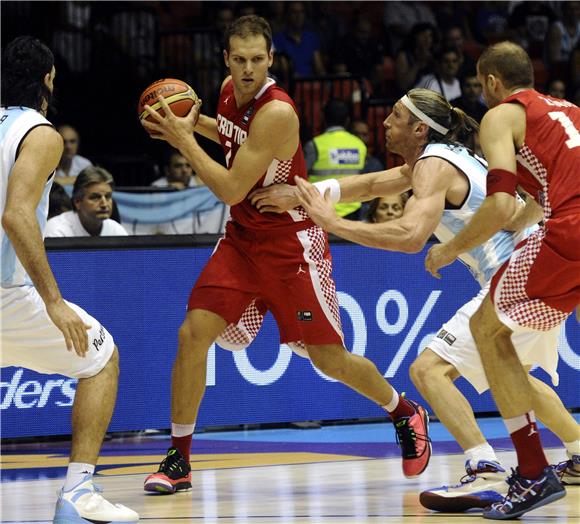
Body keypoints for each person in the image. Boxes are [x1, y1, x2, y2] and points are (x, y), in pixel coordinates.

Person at [251, 86, 580, 513]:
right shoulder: (444, 158)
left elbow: (410, 237)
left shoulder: (433, 165)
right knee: (514, 376)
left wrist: (334, 225)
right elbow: (369, 184)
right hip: (543, 262)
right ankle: (576, 447)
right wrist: (299, 195)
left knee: (429, 371)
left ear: (419, 128)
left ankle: (486, 470)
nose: (383, 124)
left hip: (520, 267)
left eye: (394, 117)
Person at [140, 15, 430, 494]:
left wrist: (184, 140)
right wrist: (193, 123)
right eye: (240, 60)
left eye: (258, 60)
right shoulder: (230, 93)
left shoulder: (279, 112)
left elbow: (232, 188)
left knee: (329, 361)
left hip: (291, 244)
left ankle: (403, 410)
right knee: (192, 334)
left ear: (271, 59)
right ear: (227, 59)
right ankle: (178, 459)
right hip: (242, 240)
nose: (249, 68)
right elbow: (235, 140)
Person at [425, 41, 580, 519]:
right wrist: (521, 219)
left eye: (480, 84)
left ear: (492, 82)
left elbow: (497, 204)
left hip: (570, 229)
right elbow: (538, 199)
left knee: (486, 330)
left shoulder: (502, 116)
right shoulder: (569, 109)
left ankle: (532, 472)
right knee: (501, 340)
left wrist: (449, 249)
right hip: (564, 219)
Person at [0, 36, 138, 523]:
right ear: (49, 79)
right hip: (5, 298)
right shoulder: (40, 134)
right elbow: (16, 217)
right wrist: (53, 301)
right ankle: (78, 492)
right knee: (101, 358)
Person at [304, 99, 367, 219]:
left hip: (321, 209)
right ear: (348, 120)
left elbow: (301, 175)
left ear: (323, 118)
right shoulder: (360, 145)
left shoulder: (315, 145)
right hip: (352, 210)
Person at [45, 166, 128, 237]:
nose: (104, 204)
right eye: (95, 197)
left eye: (108, 197)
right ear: (77, 202)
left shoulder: (116, 230)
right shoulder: (57, 230)